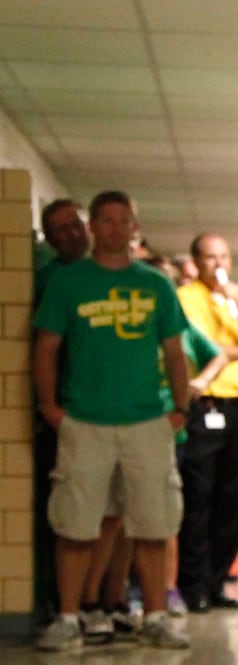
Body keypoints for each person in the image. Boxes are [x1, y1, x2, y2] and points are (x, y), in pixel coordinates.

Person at [32, 190, 192, 652]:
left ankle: (157, 616)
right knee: (76, 524)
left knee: (153, 523)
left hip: (146, 422)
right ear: (93, 227)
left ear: (133, 229)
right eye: (106, 220)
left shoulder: (156, 285)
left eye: (125, 220)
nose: (116, 228)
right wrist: (49, 407)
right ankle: (68, 618)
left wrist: (179, 409)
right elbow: (47, 347)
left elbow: (174, 352)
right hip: (83, 420)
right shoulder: (68, 283)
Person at [176, 233, 238, 613]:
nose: (219, 265)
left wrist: (237, 309)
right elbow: (201, 349)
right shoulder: (185, 298)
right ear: (197, 262)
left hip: (237, 409)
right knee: (199, 496)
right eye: (210, 258)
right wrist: (237, 351)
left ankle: (217, 582)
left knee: (232, 498)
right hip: (203, 405)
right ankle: (193, 584)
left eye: (225, 257)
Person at [31, 199, 91, 628]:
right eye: (61, 230)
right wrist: (49, 405)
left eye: (76, 225)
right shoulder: (50, 280)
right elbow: (44, 347)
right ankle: (61, 601)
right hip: (68, 414)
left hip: (112, 413)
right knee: (67, 513)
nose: (72, 234)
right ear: (49, 240)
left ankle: (99, 600)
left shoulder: (119, 277)